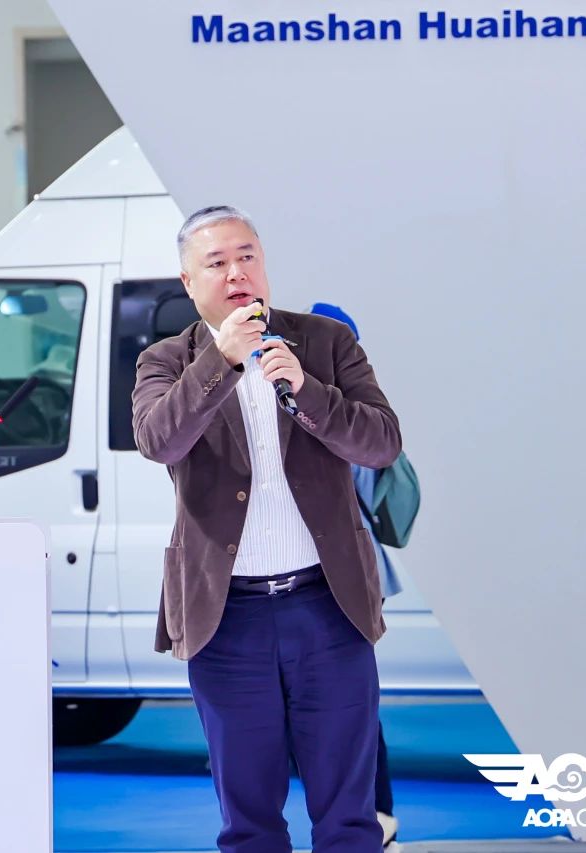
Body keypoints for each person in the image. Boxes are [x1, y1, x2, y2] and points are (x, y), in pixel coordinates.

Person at [132, 206, 401, 853]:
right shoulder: (166, 361)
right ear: (189, 282)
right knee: (249, 819)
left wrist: (307, 389)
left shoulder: (325, 343)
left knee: (349, 816)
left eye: (247, 256)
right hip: (227, 619)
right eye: (217, 263)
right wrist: (220, 363)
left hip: (327, 607)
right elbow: (158, 440)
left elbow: (382, 442)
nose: (236, 273)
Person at [310, 301, 403, 849]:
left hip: (344, 572)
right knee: (346, 700)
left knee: (348, 703)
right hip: (340, 572)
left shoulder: (338, 410)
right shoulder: (349, 405)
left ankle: (373, 813)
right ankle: (373, 814)